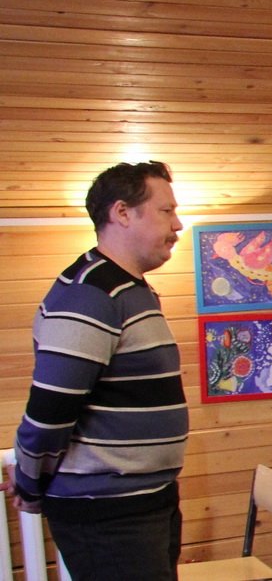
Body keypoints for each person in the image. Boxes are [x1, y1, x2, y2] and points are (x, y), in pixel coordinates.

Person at [1, 161, 189, 580]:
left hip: (145, 502)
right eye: (166, 211)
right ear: (122, 213)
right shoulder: (89, 293)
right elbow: (49, 410)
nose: (177, 225)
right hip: (109, 516)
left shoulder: (131, 289)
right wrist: (29, 484)